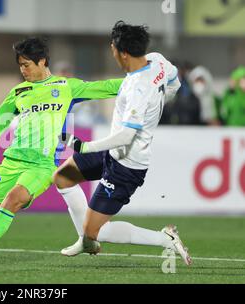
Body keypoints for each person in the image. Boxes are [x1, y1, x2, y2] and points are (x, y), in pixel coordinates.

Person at [0, 37, 123, 265]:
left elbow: (103, 87)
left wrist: (138, 82)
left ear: (42, 61)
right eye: (20, 65)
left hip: (42, 165)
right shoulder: (19, 91)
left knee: (11, 199)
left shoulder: (65, 86)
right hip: (12, 161)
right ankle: (15, 205)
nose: (23, 70)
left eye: (26, 64)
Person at [54, 21, 192, 266]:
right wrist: (160, 102)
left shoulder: (136, 89)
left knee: (95, 233)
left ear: (123, 52)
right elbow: (175, 83)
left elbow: (127, 136)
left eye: (112, 47)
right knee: (63, 176)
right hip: (112, 152)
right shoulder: (157, 60)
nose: (112, 51)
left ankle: (165, 238)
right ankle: (85, 237)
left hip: (127, 165)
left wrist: (83, 146)